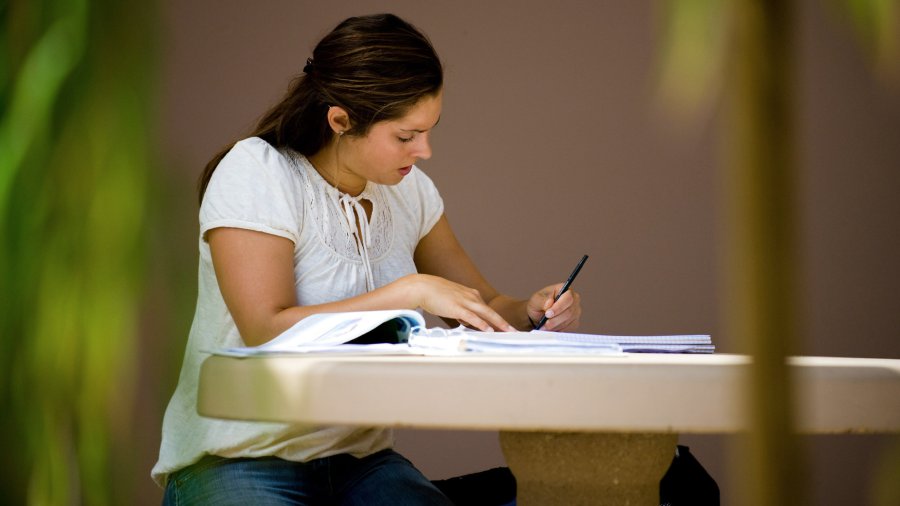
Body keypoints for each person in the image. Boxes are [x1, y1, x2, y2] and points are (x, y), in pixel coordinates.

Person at [153, 13, 582, 505]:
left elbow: (481, 304)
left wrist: (529, 309)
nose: (425, 151)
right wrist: (407, 292)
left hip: (359, 462)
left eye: (428, 130)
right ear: (340, 121)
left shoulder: (409, 192)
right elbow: (265, 331)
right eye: (405, 136)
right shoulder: (257, 171)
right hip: (238, 456)